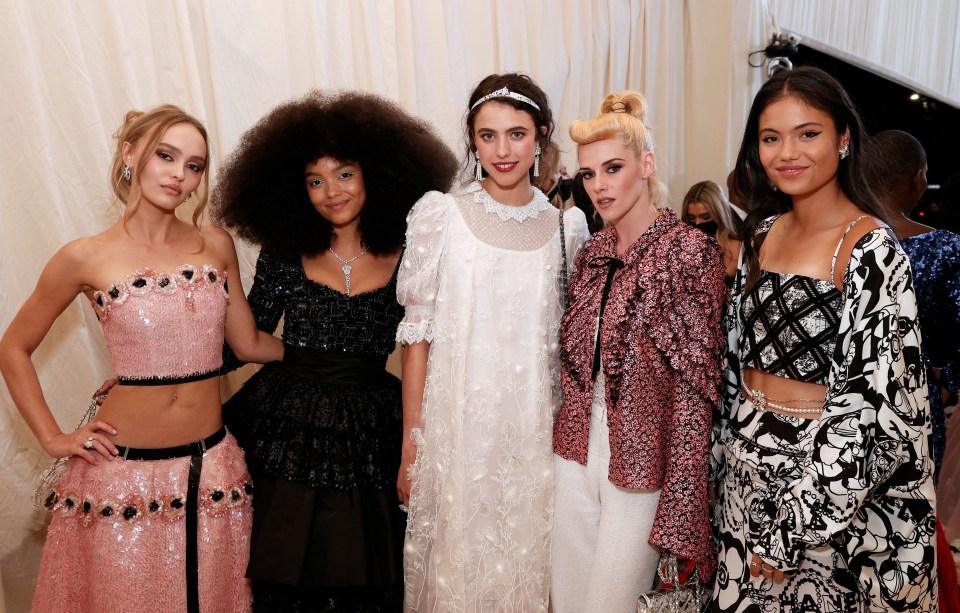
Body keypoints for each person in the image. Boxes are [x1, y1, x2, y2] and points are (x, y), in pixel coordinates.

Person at [0, 104, 284, 612]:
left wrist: (334, 352)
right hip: (120, 476)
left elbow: (248, 345)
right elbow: (13, 347)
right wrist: (53, 437)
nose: (180, 175)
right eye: (166, 156)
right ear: (131, 155)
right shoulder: (84, 256)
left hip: (211, 470)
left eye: (194, 165)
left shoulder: (214, 243)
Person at [213, 91, 457, 611]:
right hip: (288, 421)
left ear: (375, 174)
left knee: (372, 571)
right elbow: (245, 339)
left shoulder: (414, 251)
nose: (331, 192)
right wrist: (162, 375)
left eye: (344, 174)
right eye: (314, 180)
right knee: (283, 566)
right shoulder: (285, 252)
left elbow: (435, 341)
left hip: (375, 423)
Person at [714, 66, 938, 611]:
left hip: (823, 498)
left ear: (843, 139)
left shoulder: (870, 247)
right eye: (771, 138)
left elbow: (874, 409)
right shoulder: (761, 233)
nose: (787, 152)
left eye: (807, 133)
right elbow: (733, 365)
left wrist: (795, 523)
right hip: (745, 483)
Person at [396, 73, 589, 611]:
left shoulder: (566, 229)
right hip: (456, 438)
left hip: (534, 444)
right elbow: (417, 336)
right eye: (488, 136)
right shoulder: (441, 215)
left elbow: (564, 348)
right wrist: (413, 441)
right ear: (472, 141)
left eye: (517, 134)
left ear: (541, 137)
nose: (502, 151)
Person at [551, 92, 725, 612]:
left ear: (646, 166)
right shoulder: (592, 253)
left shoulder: (689, 253)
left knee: (611, 605)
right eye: (587, 174)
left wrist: (683, 504)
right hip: (574, 451)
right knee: (569, 602)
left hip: (644, 461)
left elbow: (697, 392)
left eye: (613, 168)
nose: (599, 186)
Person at [866, 129, 960, 611]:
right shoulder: (944, 250)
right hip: (914, 414)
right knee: (904, 537)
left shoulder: (837, 241)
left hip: (834, 415)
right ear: (918, 178)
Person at [681, 179, 743, 285]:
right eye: (691, 218)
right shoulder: (681, 249)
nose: (697, 222)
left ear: (719, 214)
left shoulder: (739, 249)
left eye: (705, 216)